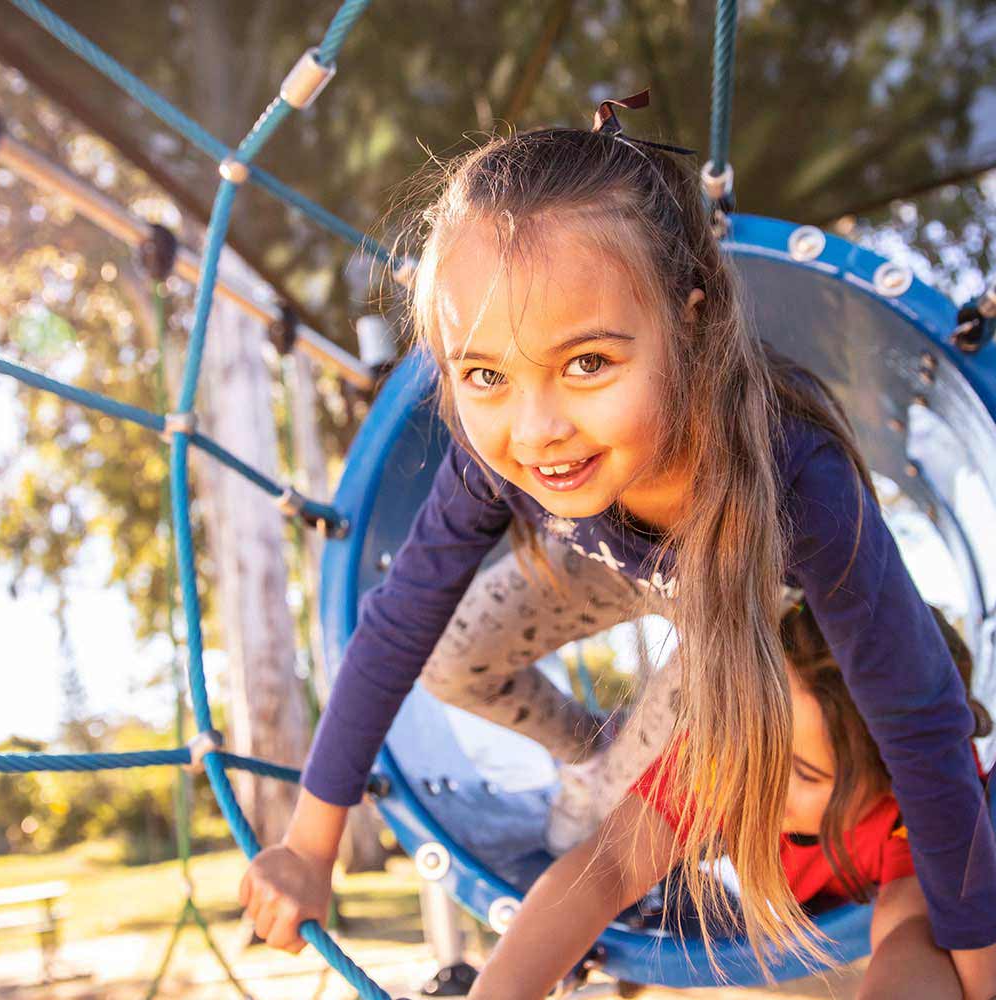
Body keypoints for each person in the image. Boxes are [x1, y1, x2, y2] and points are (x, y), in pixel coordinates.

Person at [238, 97, 996, 986]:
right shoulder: (504, 458)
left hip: (737, 581)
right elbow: (399, 620)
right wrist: (310, 845)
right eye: (483, 373)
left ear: (690, 322)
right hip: (604, 549)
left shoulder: (798, 478)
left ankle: (614, 775)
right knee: (448, 653)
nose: (537, 426)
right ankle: (595, 746)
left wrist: (979, 968)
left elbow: (919, 715)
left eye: (588, 362)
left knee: (600, 827)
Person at [465, 603, 993, 1000]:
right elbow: (612, 864)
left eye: (802, 773)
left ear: (892, 781)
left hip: (828, 892)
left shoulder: (925, 807)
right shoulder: (729, 753)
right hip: (745, 875)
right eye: (759, 741)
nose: (763, 780)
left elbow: (910, 936)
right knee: (656, 862)